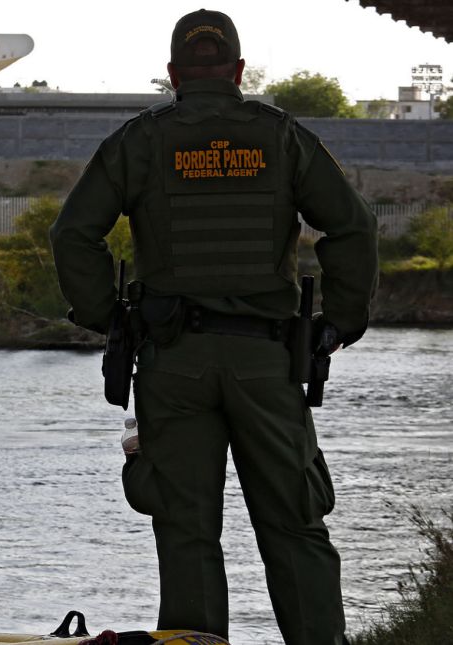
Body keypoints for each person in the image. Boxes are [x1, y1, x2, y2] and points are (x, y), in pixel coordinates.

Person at [49, 10, 377, 645]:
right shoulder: (281, 137)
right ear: (239, 71)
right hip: (268, 361)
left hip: (173, 360)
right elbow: (353, 226)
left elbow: (72, 233)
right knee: (294, 524)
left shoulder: (141, 140)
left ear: (172, 75)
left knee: (186, 529)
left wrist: (108, 319)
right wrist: (337, 325)